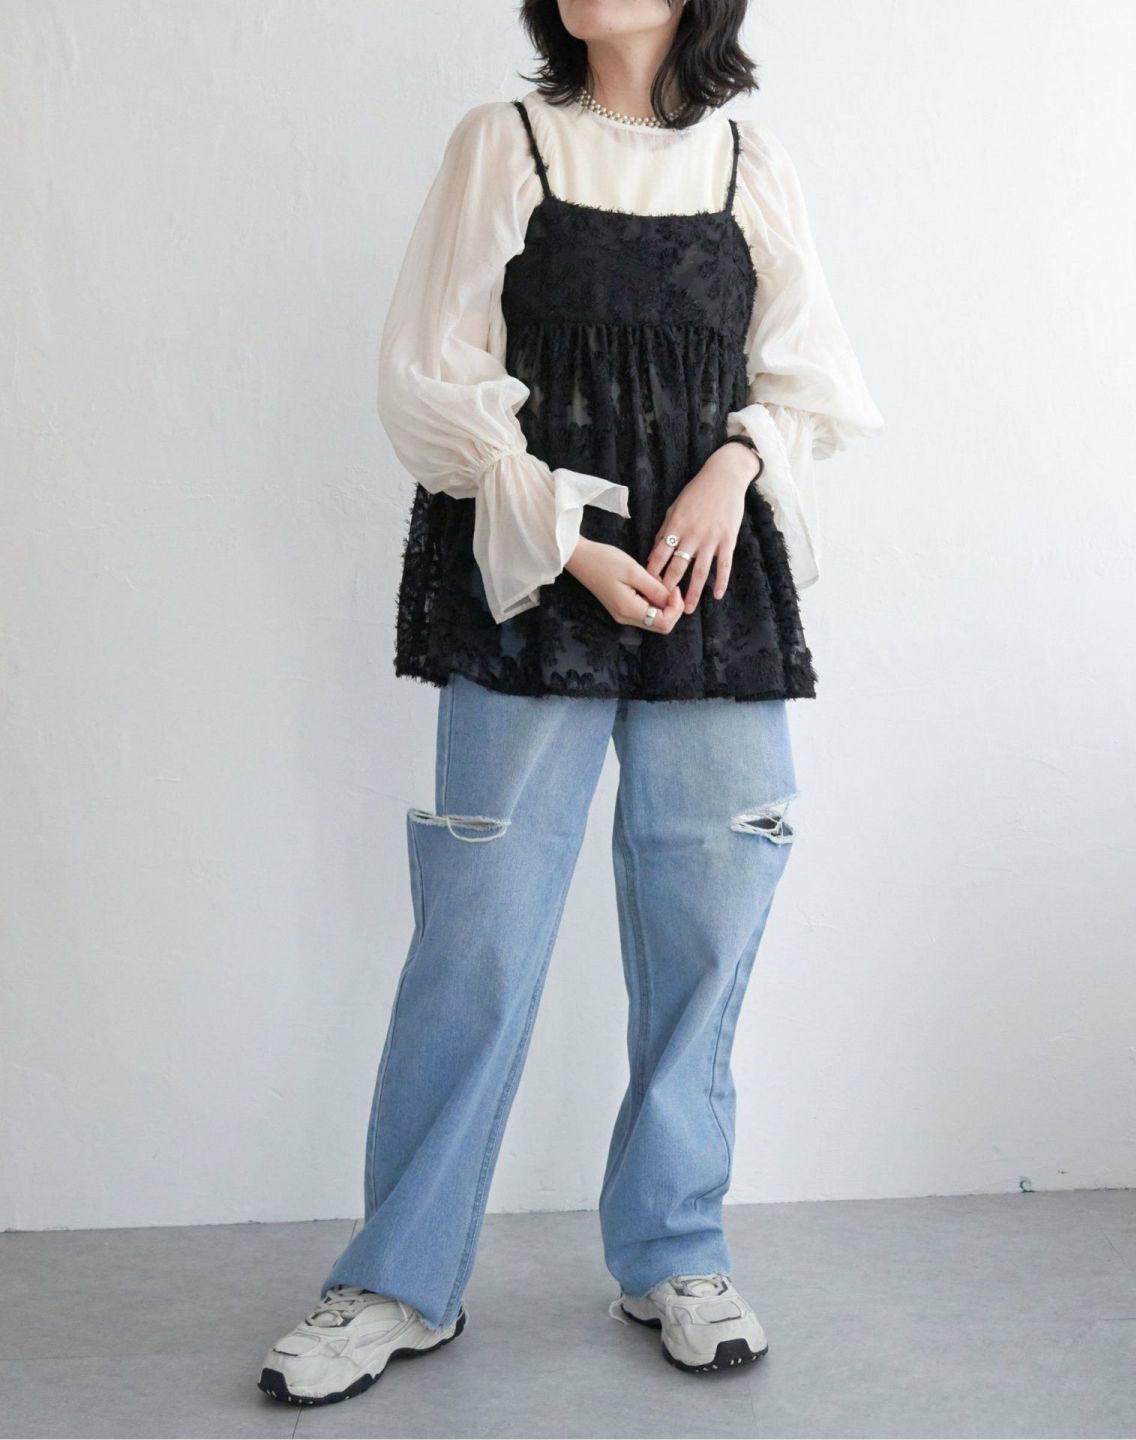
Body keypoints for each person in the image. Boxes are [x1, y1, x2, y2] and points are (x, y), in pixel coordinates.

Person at [258, 0, 883, 1406]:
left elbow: (811, 381)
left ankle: (676, 1252)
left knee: (706, 931)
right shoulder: (504, 143)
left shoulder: (751, 166)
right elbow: (430, 378)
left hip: (710, 588)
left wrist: (733, 466)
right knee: (475, 939)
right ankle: (399, 1280)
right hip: (535, 579)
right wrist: (571, 543)